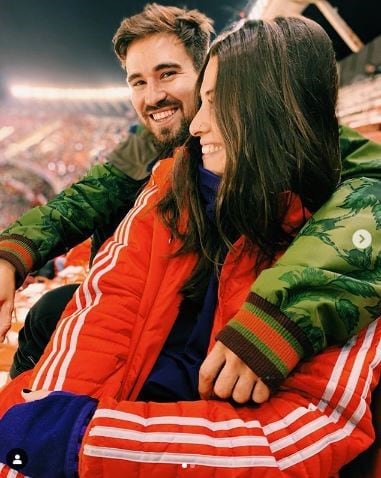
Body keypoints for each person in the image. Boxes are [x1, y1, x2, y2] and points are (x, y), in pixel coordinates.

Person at [0, 16, 380, 477]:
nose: (152, 96)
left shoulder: (335, 193)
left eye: (168, 74)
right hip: (153, 406)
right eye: (137, 81)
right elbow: (96, 263)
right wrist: (12, 252)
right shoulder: (157, 169)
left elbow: (371, 195)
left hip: (204, 426)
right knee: (49, 313)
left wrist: (279, 317)